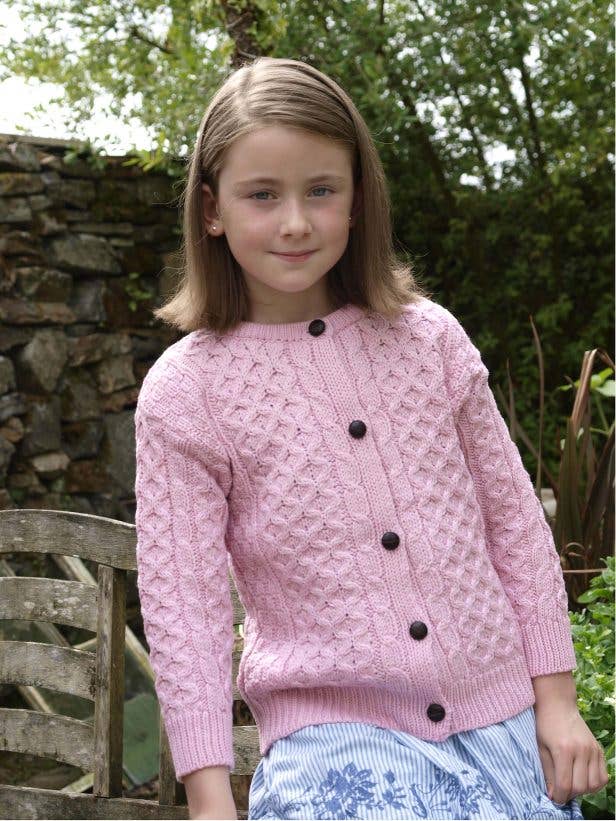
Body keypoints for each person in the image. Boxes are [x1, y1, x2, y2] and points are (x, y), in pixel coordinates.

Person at [133, 56, 609, 821]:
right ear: (212, 208)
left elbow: (515, 524)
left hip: (503, 726)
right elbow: (185, 614)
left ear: (358, 199)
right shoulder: (186, 393)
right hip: (334, 745)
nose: (296, 221)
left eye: (322, 190)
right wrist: (210, 800)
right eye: (263, 194)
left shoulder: (430, 340)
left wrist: (556, 700)